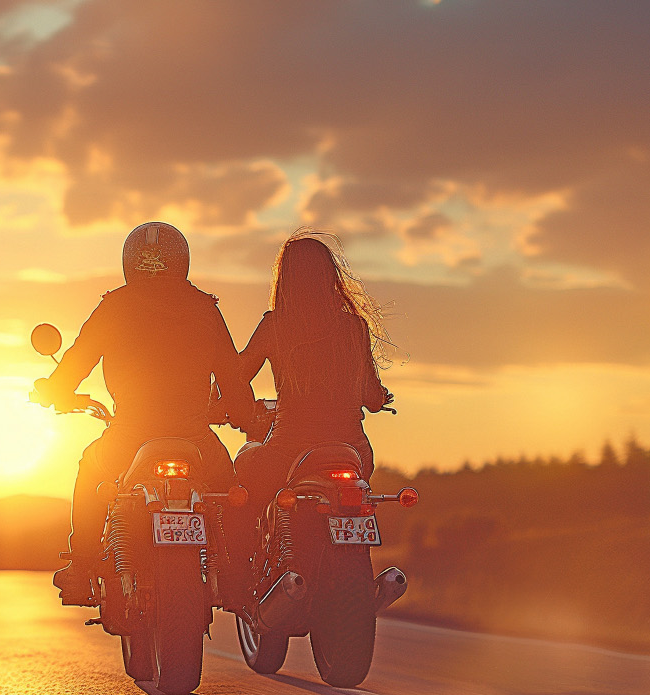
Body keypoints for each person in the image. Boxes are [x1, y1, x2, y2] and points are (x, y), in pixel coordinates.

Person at [31, 222, 245, 605]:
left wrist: (54, 391)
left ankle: (81, 568)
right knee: (229, 493)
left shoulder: (115, 307)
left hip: (130, 436)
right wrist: (245, 413)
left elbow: (76, 361)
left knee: (90, 468)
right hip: (195, 439)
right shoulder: (204, 309)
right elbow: (233, 379)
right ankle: (236, 576)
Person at [226, 230, 395, 520]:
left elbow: (238, 376)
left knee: (244, 463)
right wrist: (380, 398)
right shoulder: (354, 328)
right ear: (330, 277)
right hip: (353, 454)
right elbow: (372, 397)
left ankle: (243, 562)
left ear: (286, 280)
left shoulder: (275, 325)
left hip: (288, 454)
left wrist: (220, 404)